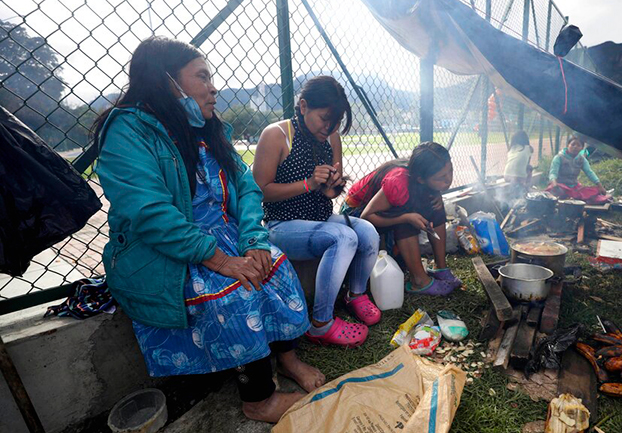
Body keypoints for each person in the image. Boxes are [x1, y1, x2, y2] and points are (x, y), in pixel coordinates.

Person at [94, 36, 324, 423]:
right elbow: (150, 213)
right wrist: (219, 260)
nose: (213, 87)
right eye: (202, 77)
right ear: (167, 80)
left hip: (224, 235)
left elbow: (246, 187)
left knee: (273, 265)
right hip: (168, 250)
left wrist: (253, 239)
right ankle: (258, 399)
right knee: (235, 290)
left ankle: (287, 359)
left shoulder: (205, 128)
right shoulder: (127, 131)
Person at [253, 76, 380, 348]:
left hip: (319, 218)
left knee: (367, 231)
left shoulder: (331, 137)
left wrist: (332, 186)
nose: (330, 127)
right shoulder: (277, 135)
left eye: (336, 122)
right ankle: (321, 324)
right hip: (282, 225)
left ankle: (355, 295)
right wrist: (308, 183)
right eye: (325, 118)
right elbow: (260, 190)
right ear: (303, 107)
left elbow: (331, 193)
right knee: (343, 237)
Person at [343, 142, 461, 296]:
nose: (448, 179)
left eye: (450, 171)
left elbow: (425, 192)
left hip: (381, 210)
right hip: (355, 213)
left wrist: (436, 193)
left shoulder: (419, 173)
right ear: (421, 179)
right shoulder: (398, 181)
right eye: (441, 177)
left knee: (435, 205)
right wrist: (406, 217)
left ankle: (441, 268)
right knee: (406, 218)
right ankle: (419, 281)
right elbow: (367, 216)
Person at [547, 135, 611, 204]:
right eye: (573, 144)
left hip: (574, 187)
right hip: (560, 186)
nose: (575, 147)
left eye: (578, 145)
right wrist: (554, 184)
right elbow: (553, 173)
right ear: (568, 145)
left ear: (582, 148)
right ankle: (572, 197)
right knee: (557, 192)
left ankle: (572, 197)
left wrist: (599, 185)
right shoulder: (559, 157)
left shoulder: (581, 159)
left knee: (594, 191)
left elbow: (589, 172)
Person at [503, 130, 534, 198]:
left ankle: (522, 187)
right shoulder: (529, 148)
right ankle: (527, 187)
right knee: (530, 167)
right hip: (519, 178)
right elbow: (527, 164)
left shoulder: (511, 149)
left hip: (506, 176)